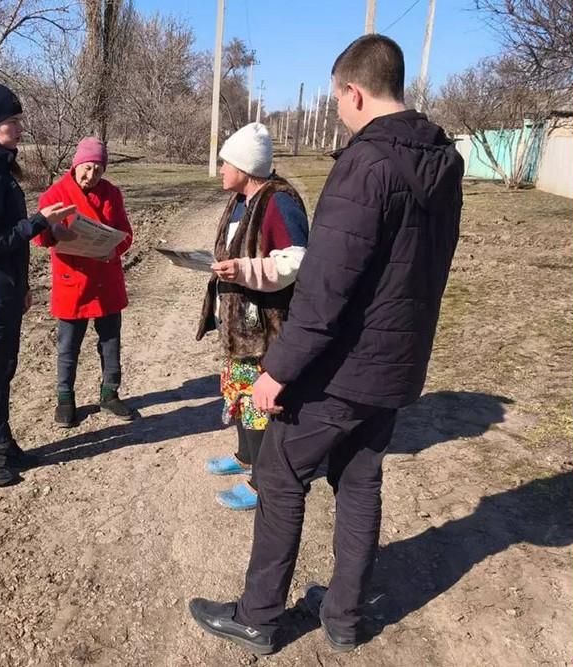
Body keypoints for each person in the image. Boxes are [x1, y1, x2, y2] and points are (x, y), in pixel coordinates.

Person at [189, 34, 464, 654]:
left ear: (353, 91)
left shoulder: (364, 166)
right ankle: (343, 617)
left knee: (280, 475)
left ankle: (258, 615)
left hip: (345, 368)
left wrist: (278, 371)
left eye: (339, 99)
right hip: (396, 364)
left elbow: (324, 287)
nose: (340, 111)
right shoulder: (442, 163)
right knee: (361, 480)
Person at [0, 81, 78, 487]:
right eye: (11, 122)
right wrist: (37, 224)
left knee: (3, 369)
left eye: (19, 121)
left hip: (4, 289)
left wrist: (21, 285)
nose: (19, 129)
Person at [195, 122, 308, 511]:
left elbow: (297, 260)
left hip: (263, 329)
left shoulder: (279, 201)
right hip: (240, 324)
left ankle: (263, 483)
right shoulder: (242, 198)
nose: (221, 169)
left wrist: (244, 270)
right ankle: (245, 456)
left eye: (226, 162)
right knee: (239, 394)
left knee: (259, 403)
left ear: (245, 167)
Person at [35, 137, 136, 427]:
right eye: (87, 168)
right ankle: (65, 399)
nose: (91, 176)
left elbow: (125, 233)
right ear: (76, 164)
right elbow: (40, 237)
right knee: (68, 346)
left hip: (106, 279)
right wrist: (54, 231)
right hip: (73, 282)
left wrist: (112, 248)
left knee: (110, 341)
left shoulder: (112, 194)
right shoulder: (55, 194)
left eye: (98, 170)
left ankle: (110, 393)